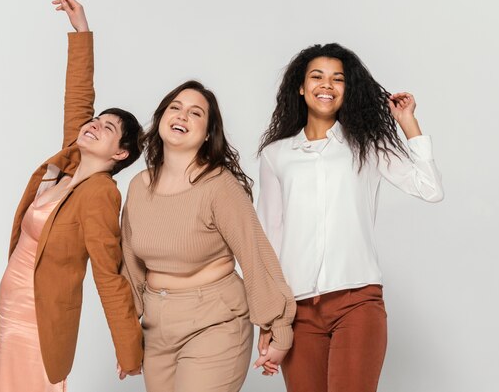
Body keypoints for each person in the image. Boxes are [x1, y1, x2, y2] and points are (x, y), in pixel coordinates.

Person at [256, 43, 444, 392]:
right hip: (297, 312)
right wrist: (270, 317)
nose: (327, 85)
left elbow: (430, 188)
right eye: (317, 76)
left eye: (337, 79)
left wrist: (408, 124)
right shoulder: (276, 155)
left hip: (357, 302)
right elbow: (270, 236)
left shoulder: (367, 145)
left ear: (347, 89)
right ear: (300, 86)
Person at [0, 0, 143, 392]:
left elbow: (108, 274)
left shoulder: (99, 195)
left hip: (38, 320)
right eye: (95, 120)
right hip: (12, 307)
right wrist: (82, 31)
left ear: (120, 153)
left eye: (107, 128)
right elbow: (79, 100)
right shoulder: (71, 162)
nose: (94, 125)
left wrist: (129, 350)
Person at [120, 80, 296, 392]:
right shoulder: (138, 186)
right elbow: (132, 266)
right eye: (175, 108)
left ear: (207, 134)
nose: (182, 116)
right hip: (156, 327)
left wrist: (279, 325)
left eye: (195, 113)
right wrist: (124, 335)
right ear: (161, 118)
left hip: (214, 322)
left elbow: (254, 253)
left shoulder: (218, 185)